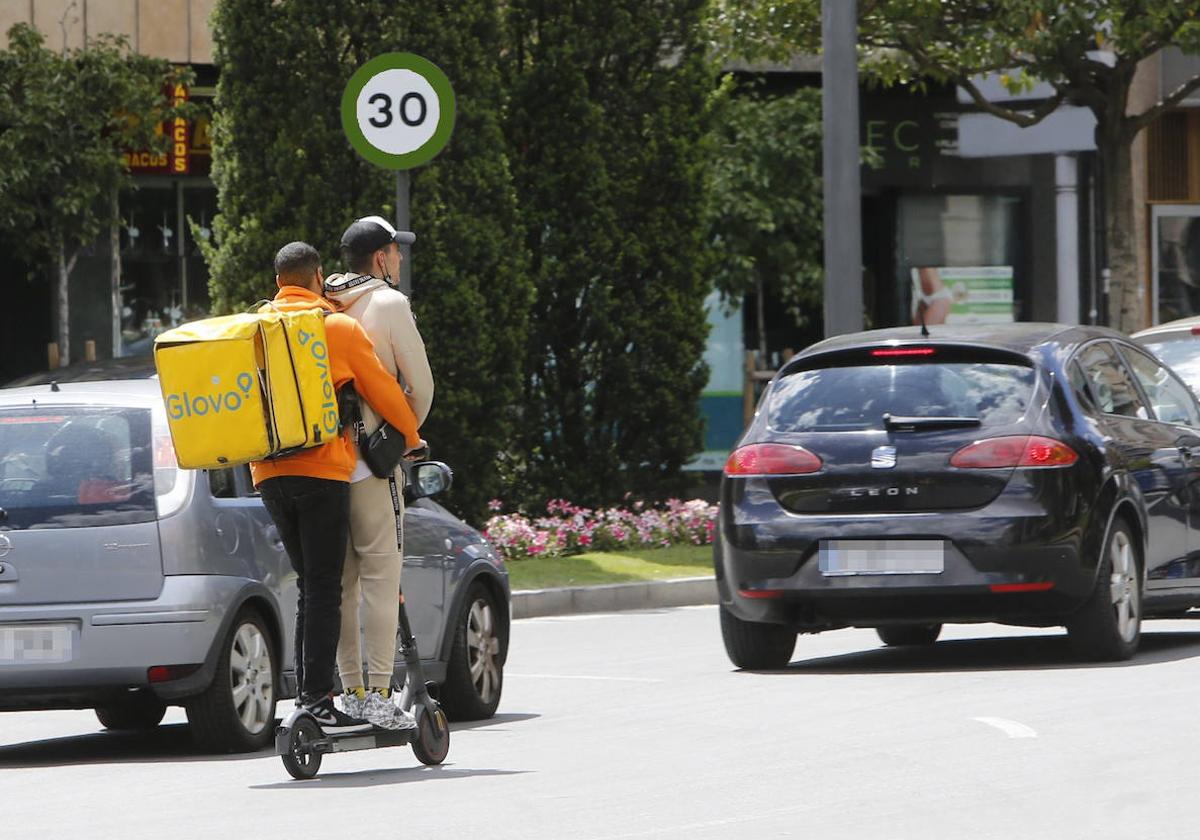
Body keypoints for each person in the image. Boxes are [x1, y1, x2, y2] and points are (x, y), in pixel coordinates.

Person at [250, 241, 424, 735]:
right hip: (323, 471)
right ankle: (317, 700)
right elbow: (383, 389)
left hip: (267, 476)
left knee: (313, 585)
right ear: (317, 276)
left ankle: (310, 698)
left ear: (279, 281)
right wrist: (411, 436)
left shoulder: (254, 332)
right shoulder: (336, 328)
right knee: (327, 587)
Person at [323, 216, 434, 729]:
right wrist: (403, 437)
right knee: (381, 576)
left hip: (321, 464)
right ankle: (381, 692)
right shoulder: (388, 304)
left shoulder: (320, 303)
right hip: (370, 462)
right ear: (381, 258)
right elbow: (421, 386)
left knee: (341, 581)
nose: (401, 260)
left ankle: (349, 692)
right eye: (396, 251)